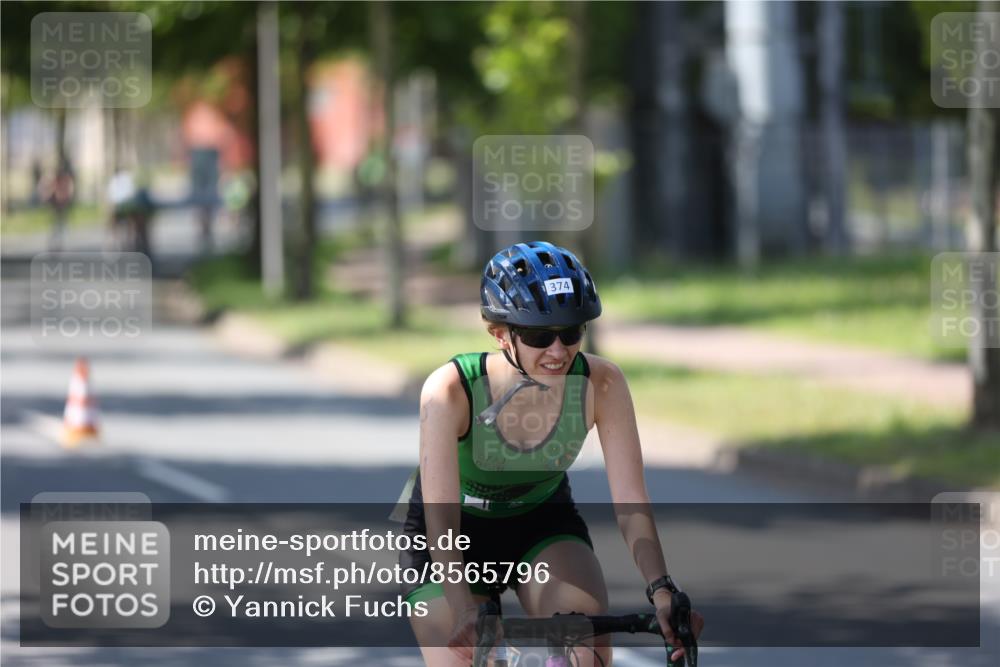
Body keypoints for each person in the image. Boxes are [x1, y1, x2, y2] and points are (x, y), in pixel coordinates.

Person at [399, 241, 704, 666]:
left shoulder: (602, 383)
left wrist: (662, 588)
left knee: (585, 645)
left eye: (571, 332)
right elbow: (442, 520)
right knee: (463, 658)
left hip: (540, 523)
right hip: (452, 536)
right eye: (539, 336)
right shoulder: (451, 390)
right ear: (500, 333)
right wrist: (464, 608)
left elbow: (632, 504)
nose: (558, 351)